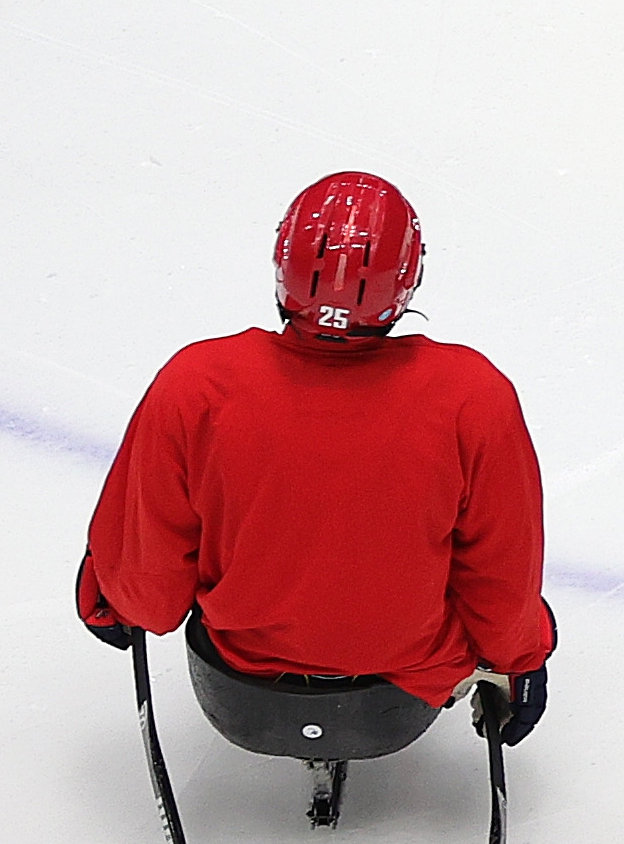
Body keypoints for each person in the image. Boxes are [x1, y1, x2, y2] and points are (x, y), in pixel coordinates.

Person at [76, 173, 552, 808]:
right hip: (399, 698)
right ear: (407, 278)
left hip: (241, 690)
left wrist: (110, 601)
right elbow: (501, 571)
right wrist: (519, 660)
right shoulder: (473, 396)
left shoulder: (198, 384)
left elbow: (148, 578)